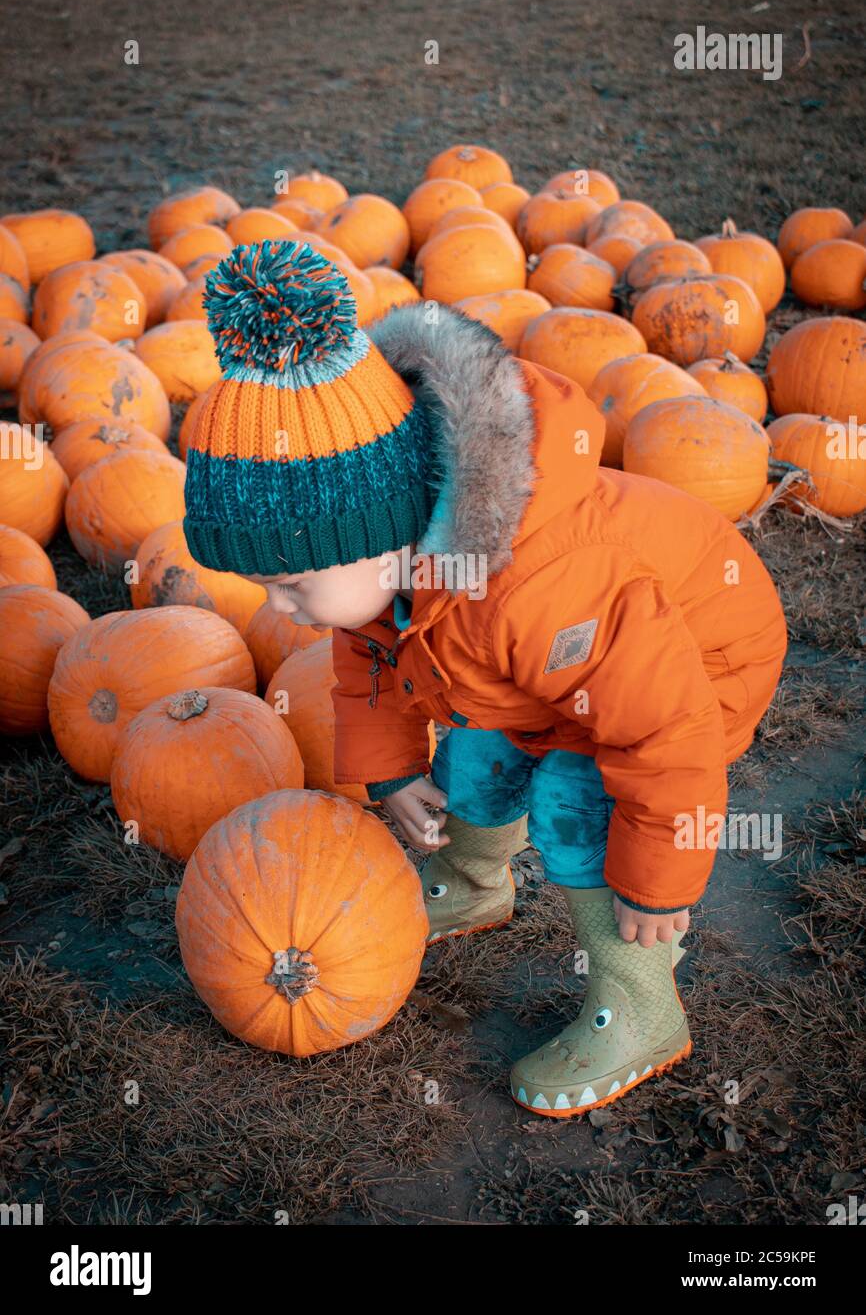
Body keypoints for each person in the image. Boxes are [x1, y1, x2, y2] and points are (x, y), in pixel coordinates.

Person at [182, 238, 788, 1119]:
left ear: (381, 537)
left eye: (292, 583)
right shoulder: (388, 573)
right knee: (476, 747)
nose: (281, 610)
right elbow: (372, 657)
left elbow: (663, 734)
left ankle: (642, 1000)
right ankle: (475, 881)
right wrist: (390, 769)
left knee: (577, 802)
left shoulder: (537, 588)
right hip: (556, 675)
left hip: (698, 662)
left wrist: (660, 877)